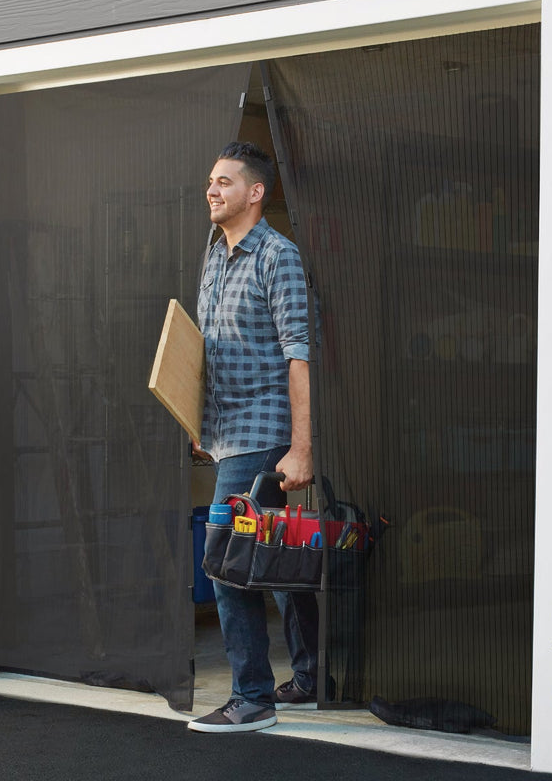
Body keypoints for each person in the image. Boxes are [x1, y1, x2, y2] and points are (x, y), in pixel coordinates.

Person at [188, 142, 319, 733]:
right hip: (226, 431)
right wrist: (201, 424)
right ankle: (312, 677)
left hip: (263, 431)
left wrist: (301, 446)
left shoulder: (278, 256)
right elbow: (207, 348)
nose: (212, 190)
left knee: (226, 559)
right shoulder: (214, 254)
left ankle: (252, 698)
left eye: (224, 182)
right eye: (210, 182)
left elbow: (298, 356)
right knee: (270, 556)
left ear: (256, 192)